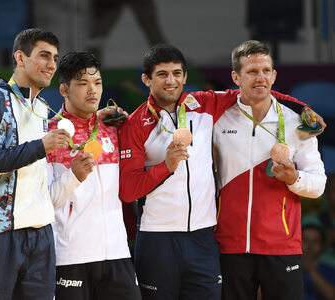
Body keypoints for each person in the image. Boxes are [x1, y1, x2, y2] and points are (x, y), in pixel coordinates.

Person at [118, 44, 313, 300]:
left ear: (185, 77)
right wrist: (165, 167)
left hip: (203, 238)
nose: (171, 81)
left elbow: (255, 89)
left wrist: (303, 107)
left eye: (177, 73)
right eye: (162, 74)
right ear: (147, 79)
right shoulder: (134, 123)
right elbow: (128, 190)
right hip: (158, 238)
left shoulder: (205, 104)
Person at [213, 40, 327, 300]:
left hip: (281, 245)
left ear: (274, 75)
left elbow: (318, 185)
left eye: (266, 70)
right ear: (236, 77)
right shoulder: (219, 119)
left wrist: (294, 178)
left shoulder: (298, 122)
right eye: (252, 71)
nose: (260, 77)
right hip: (230, 244)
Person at [0, 28, 71, 300]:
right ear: (20, 58)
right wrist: (40, 147)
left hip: (40, 232)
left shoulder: (41, 107)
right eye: (44, 56)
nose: (51, 65)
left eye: (55, 58)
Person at [47, 52, 141, 300]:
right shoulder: (48, 136)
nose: (93, 90)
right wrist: (73, 177)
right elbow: (41, 201)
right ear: (64, 90)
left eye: (97, 83)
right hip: (70, 257)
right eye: (82, 83)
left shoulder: (114, 129)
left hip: (117, 253)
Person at [301, 216, 335, 300]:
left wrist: (311, 270)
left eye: (315, 241)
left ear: (322, 245)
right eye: (305, 240)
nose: (310, 245)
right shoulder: (288, 268)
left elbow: (332, 295)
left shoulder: (330, 270)